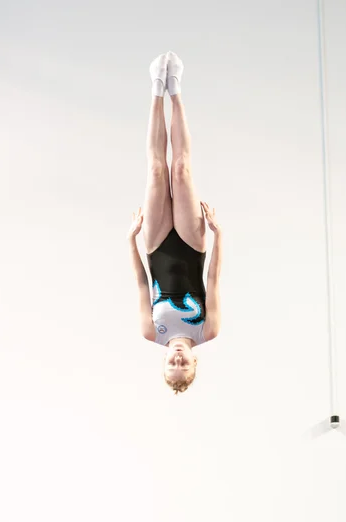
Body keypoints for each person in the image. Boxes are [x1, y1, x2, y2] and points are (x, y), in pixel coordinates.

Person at [127, 52, 222, 395]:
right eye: (184, 366)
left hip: (154, 245)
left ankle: (156, 87)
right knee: (181, 170)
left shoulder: (151, 332)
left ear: (165, 362)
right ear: (195, 363)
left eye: (173, 365)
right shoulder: (208, 330)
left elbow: (141, 283)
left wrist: (131, 240)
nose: (178, 361)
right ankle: (176, 88)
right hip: (193, 245)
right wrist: (218, 235)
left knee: (156, 170)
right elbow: (213, 279)